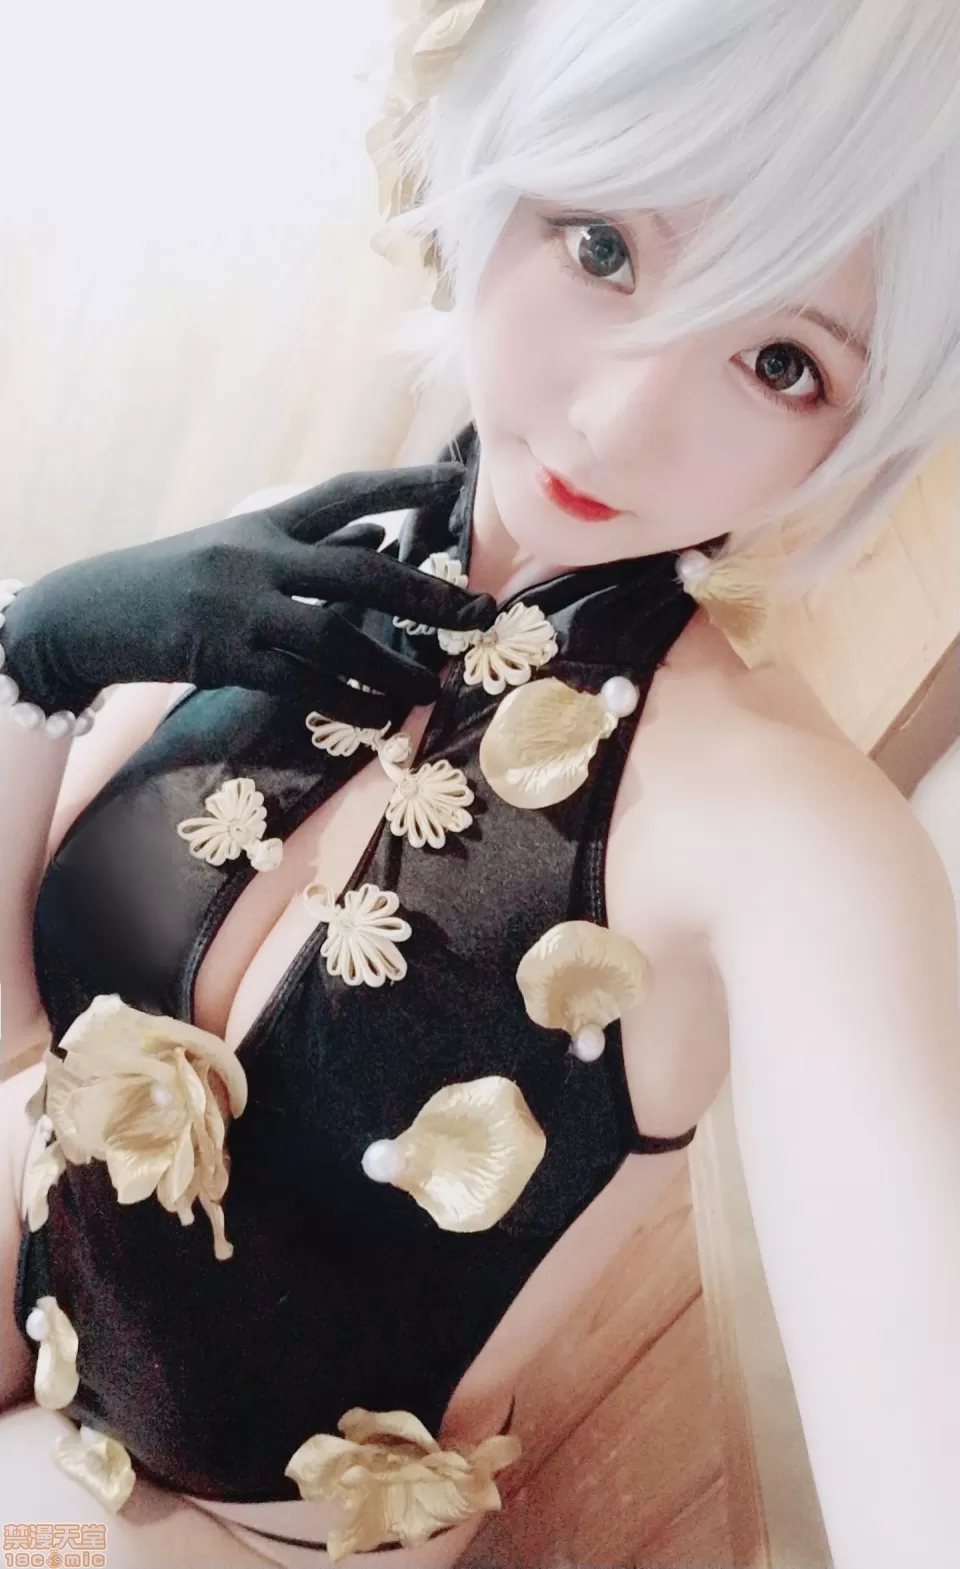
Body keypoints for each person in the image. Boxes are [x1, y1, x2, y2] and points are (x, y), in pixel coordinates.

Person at [1, 2, 959, 1567]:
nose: (616, 418)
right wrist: (33, 668)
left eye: (781, 360)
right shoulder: (315, 543)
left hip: (217, 1537)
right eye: (604, 247)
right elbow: (13, 1036)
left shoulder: (780, 836)